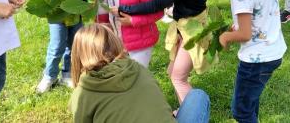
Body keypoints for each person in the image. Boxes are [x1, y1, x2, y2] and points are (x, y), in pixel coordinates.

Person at [203, 0, 287, 123]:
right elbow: (261, 12)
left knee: (241, 111)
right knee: (250, 104)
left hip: (255, 61)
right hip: (273, 51)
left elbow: (245, 34)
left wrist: (225, 37)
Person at [70, 24, 210, 123]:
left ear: (78, 56)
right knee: (197, 96)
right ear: (115, 43)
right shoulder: (138, 68)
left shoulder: (82, 93)